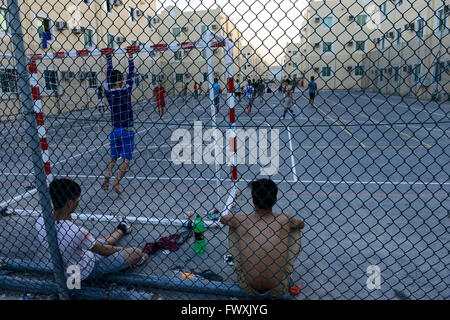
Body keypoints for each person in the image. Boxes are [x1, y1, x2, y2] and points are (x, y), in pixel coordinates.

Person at [35, 178, 148, 282]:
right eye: (77, 201)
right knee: (136, 252)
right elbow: (104, 251)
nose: (78, 204)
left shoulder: (40, 221)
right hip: (86, 270)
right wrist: (120, 250)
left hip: (66, 265)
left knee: (96, 242)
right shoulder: (77, 232)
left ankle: (122, 228)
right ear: (70, 203)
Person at [220, 179, 305, 297]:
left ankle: (243, 270)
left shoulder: (241, 219)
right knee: (294, 229)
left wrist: (243, 218)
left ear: (253, 201)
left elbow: (223, 219)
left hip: (247, 287)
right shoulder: (284, 218)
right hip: (278, 288)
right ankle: (284, 271)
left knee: (233, 227)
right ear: (275, 199)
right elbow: (301, 224)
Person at [101, 50, 135, 195]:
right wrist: (130, 58)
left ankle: (108, 172)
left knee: (113, 156)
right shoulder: (126, 90)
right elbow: (131, 75)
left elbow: (109, 75)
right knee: (126, 158)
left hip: (115, 129)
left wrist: (109, 58)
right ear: (121, 80)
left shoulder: (108, 91)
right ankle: (116, 181)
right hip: (127, 129)